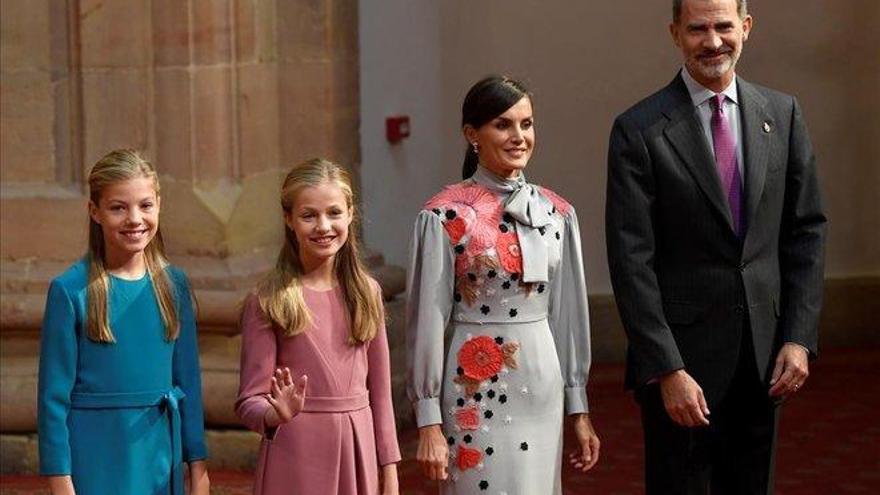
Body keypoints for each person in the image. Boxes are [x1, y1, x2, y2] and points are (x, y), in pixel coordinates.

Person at [605, 1, 826, 493]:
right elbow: (630, 261)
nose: (713, 41)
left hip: (765, 362)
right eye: (698, 29)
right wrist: (667, 368)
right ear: (675, 34)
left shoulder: (783, 114)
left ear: (746, 28)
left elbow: (806, 231)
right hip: (682, 371)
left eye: (724, 26)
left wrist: (798, 337)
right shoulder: (638, 130)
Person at [406, 75, 600, 494]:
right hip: (473, 387)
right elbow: (427, 319)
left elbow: (567, 316)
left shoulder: (558, 214)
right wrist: (428, 420)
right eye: (503, 124)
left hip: (541, 384)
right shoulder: (444, 217)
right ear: (471, 134)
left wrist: (578, 408)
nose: (518, 136)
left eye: (526, 124)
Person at [37, 149, 209, 495]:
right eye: (118, 207)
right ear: (94, 212)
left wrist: (198, 465)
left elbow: (187, 381)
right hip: (96, 457)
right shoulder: (70, 291)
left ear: (158, 204)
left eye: (145, 205)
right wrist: (60, 482)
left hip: (162, 455)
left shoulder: (174, 286)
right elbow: (52, 400)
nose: (135, 218)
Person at [235, 158, 401, 495]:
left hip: (357, 448)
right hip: (294, 455)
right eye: (309, 215)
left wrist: (391, 470)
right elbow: (249, 400)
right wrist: (272, 413)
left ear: (350, 214)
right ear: (289, 220)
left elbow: (381, 396)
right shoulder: (269, 299)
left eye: (333, 213)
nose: (323, 226)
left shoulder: (366, 293)